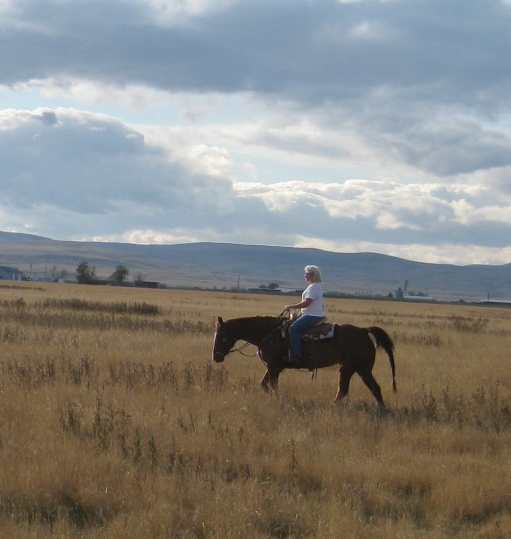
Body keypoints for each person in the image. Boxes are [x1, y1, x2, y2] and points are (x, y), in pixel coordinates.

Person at [284, 265, 324, 366]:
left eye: (306, 273)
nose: (305, 275)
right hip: (310, 314)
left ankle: (296, 357)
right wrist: (299, 315)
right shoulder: (313, 286)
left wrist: (291, 306)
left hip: (313, 315)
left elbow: (307, 303)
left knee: (293, 329)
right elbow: (307, 306)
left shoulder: (314, 287)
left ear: (312, 275)